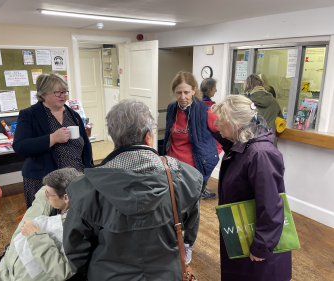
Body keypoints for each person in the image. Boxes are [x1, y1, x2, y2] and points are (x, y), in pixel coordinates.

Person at [63, 99, 203, 281]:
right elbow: (189, 234)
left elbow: (75, 247)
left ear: (114, 137)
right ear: (148, 137)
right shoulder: (186, 177)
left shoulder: (86, 187)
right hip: (167, 274)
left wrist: (86, 269)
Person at [211, 95, 292, 281]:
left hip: (256, 241)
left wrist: (262, 246)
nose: (216, 124)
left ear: (237, 124)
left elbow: (271, 206)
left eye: (221, 121)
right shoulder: (241, 145)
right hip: (243, 233)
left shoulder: (260, 154)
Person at [13, 73, 93, 209]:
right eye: (57, 92)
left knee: (75, 218)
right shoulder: (29, 115)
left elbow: (86, 148)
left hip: (75, 178)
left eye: (64, 92)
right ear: (43, 94)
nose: (63, 96)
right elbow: (20, 146)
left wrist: (89, 173)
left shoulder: (74, 115)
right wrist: (53, 138)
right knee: (45, 220)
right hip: (44, 182)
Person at [162, 71, 219, 263]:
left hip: (195, 170)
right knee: (171, 206)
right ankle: (172, 240)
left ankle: (188, 244)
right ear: (174, 93)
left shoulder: (205, 111)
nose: (183, 97)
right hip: (172, 167)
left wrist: (210, 157)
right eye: (179, 93)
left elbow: (222, 135)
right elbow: (169, 137)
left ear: (194, 90)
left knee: (192, 209)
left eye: (187, 92)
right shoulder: (172, 109)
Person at [0, 168, 84, 281]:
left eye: (49, 193)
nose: (45, 196)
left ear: (66, 197)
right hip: (6, 270)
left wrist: (35, 236)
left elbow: (63, 271)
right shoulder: (51, 201)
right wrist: (4, 265)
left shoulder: (80, 227)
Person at [243, 74, 283, 147]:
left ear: (247, 85)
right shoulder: (274, 101)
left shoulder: (243, 100)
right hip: (269, 143)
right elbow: (281, 120)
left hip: (249, 143)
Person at [200, 77, 223, 156]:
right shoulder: (208, 108)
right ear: (209, 89)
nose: (216, 90)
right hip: (209, 146)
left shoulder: (196, 104)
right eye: (214, 88)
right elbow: (216, 127)